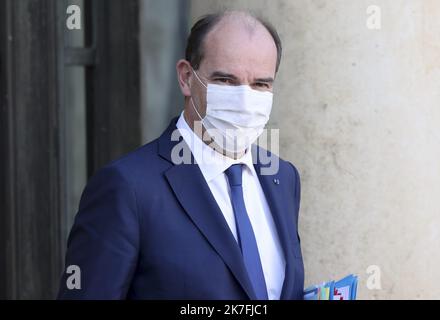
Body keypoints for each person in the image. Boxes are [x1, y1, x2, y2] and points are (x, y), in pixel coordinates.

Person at [58, 10, 304, 300]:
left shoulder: (282, 177)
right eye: (225, 80)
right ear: (187, 78)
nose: (245, 99)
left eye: (260, 84)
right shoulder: (128, 188)